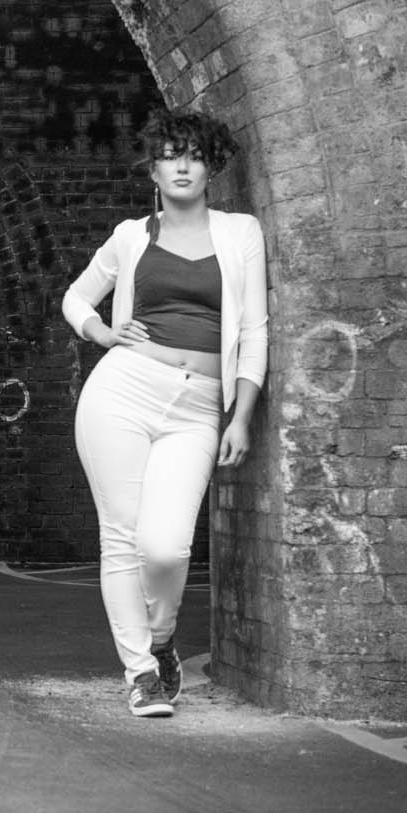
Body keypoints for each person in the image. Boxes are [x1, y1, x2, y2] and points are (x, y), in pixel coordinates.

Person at [62, 108, 268, 719]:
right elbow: (76, 296)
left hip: (199, 407)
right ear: (153, 167)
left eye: (195, 155)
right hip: (123, 391)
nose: (183, 165)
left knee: (167, 548)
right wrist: (100, 332)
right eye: (171, 154)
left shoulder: (240, 233)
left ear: (210, 168)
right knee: (121, 541)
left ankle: (161, 637)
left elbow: (254, 329)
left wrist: (241, 416)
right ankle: (141, 674)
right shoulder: (131, 236)